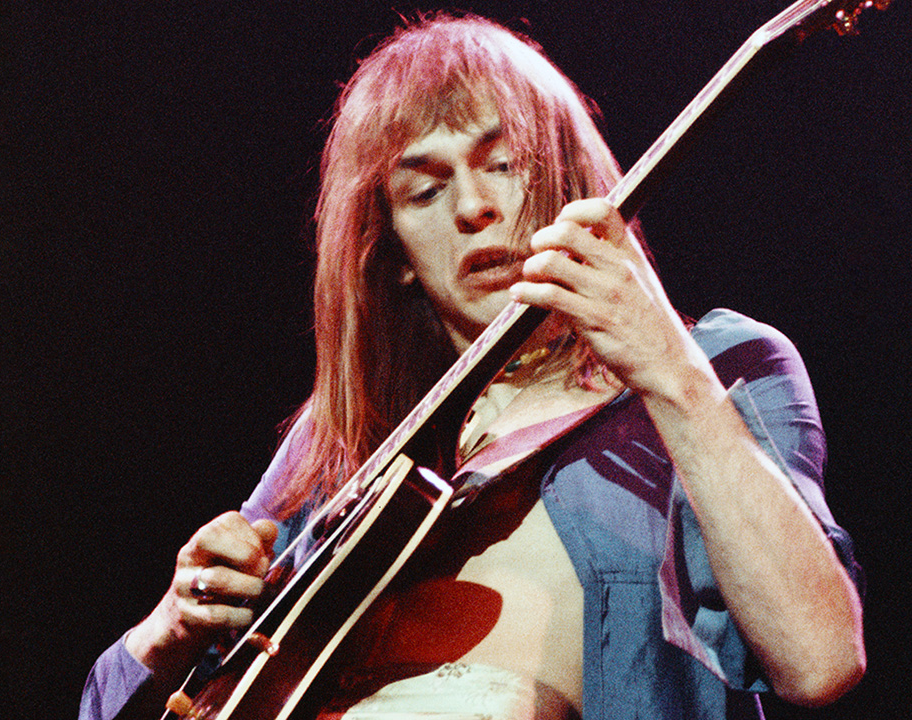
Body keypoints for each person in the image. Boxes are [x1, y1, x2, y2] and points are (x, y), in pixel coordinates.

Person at [81, 13, 865, 720]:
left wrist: (669, 368)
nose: (472, 208)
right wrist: (174, 627)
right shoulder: (349, 436)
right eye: (424, 190)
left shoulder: (720, 364)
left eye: (503, 163)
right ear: (391, 256)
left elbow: (821, 661)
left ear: (561, 176)